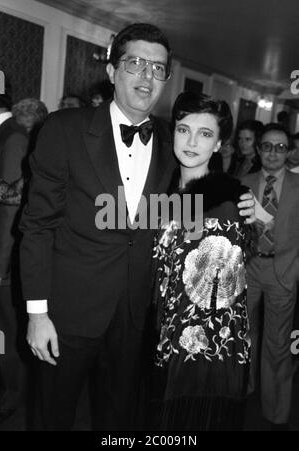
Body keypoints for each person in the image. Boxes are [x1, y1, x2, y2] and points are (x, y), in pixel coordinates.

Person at [20, 23, 255, 431]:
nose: (147, 76)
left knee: (119, 420)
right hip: (68, 314)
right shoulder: (63, 129)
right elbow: (37, 226)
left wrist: (242, 199)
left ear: (166, 78)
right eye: (135, 63)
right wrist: (37, 313)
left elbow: (192, 201)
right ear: (112, 71)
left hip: (136, 319)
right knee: (53, 416)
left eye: (158, 68)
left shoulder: (171, 141)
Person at [152, 92, 251, 431]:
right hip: (162, 340)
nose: (192, 142)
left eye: (205, 133)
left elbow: (224, 301)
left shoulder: (224, 202)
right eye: (183, 129)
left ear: (220, 142)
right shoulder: (162, 194)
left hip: (201, 353)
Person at [243, 123, 299, 430]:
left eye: (280, 147)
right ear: (258, 149)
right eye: (267, 146)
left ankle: (276, 412)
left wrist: (295, 270)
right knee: (244, 337)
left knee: (277, 345)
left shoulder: (298, 185)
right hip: (249, 269)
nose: (273, 153)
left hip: (283, 272)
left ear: (288, 151)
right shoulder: (243, 182)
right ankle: (245, 388)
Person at [0, 92, 29, 422]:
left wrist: (0, 264)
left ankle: (12, 393)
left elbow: (9, 207)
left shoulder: (13, 137)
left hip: (2, 261)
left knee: (4, 330)